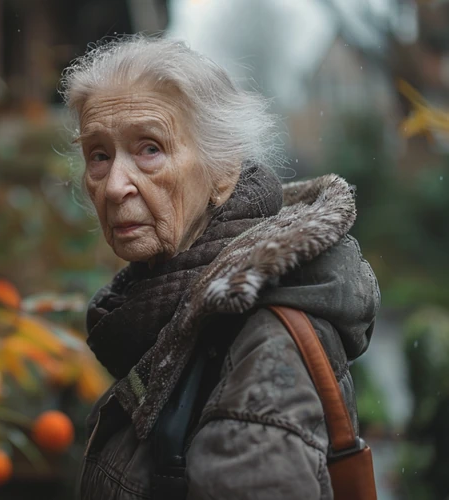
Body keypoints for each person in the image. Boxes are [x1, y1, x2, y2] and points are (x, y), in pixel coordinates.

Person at [61, 35, 380, 499]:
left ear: (223, 170)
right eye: (99, 155)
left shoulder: (259, 341)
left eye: (149, 149)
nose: (113, 187)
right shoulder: (170, 305)